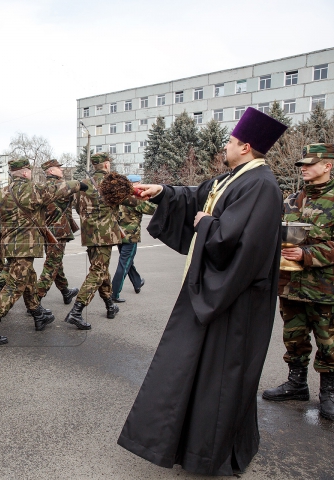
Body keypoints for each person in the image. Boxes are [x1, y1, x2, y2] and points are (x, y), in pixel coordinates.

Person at [117, 107, 288, 476]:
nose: (224, 146)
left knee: (220, 378)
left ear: (245, 146)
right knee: (194, 371)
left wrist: (207, 224)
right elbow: (199, 196)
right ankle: (189, 445)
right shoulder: (236, 177)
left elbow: (238, 241)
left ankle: (210, 454)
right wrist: (162, 191)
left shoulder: (261, 185)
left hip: (233, 300)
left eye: (229, 141)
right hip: (215, 292)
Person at [262, 143, 334, 421]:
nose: (304, 168)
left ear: (327, 166)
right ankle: (296, 384)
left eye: (309, 164)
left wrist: (306, 253)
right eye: (302, 165)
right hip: (291, 286)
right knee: (293, 338)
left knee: (330, 343)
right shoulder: (291, 200)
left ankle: (329, 395)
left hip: (327, 288)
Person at [0, 158, 84, 344]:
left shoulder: (2, 192)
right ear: (26, 173)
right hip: (25, 245)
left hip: (9, 244)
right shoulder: (32, 189)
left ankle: (37, 314)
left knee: (29, 280)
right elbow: (58, 190)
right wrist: (80, 184)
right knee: (15, 285)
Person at [64, 153, 128, 329]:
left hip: (89, 234)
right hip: (106, 234)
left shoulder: (83, 184)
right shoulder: (113, 183)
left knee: (101, 269)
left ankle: (109, 305)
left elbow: (77, 207)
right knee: (98, 272)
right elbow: (125, 203)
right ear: (106, 165)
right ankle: (76, 312)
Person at [36, 159, 80, 305]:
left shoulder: (41, 187)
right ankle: (35, 300)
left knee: (55, 262)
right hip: (58, 231)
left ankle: (65, 291)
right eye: (58, 168)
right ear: (50, 171)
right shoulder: (59, 186)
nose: (61, 170)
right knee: (52, 265)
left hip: (47, 230)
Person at [110, 174, 156, 303]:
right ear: (135, 184)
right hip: (131, 236)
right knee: (124, 264)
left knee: (127, 262)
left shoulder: (119, 196)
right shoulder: (135, 198)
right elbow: (153, 209)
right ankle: (114, 293)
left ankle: (137, 282)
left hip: (119, 234)